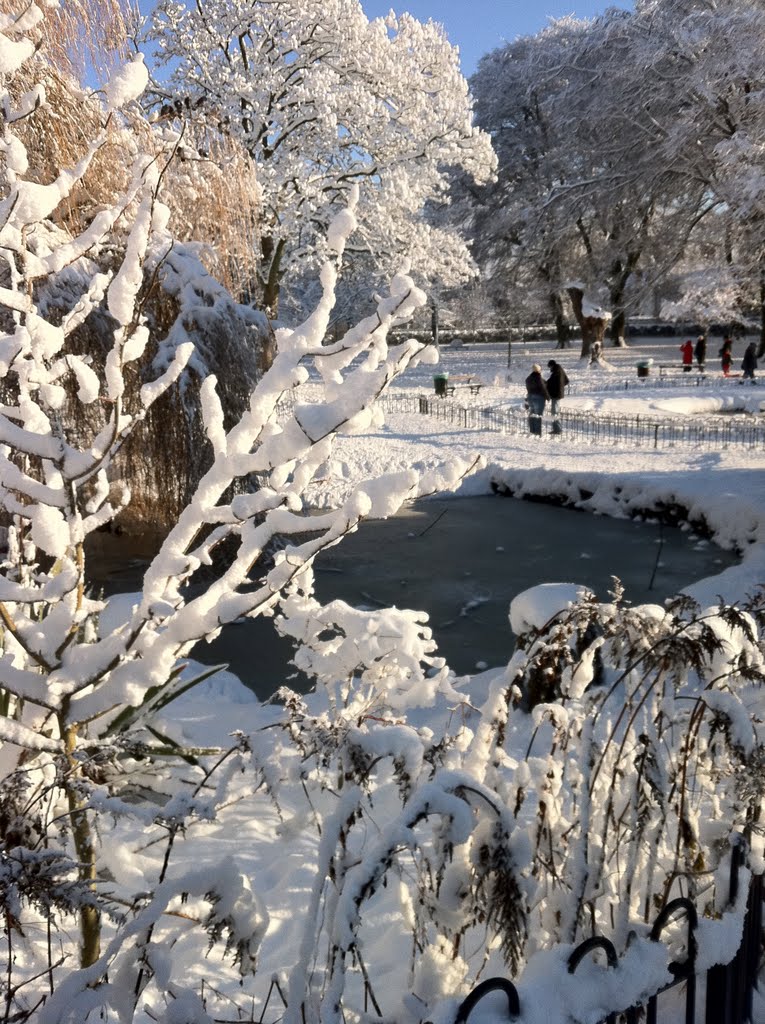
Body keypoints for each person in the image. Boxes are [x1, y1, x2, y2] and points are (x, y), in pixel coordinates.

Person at [546, 359, 570, 435]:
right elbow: (566, 381)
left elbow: (550, 383)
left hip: (555, 394)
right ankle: (556, 429)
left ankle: (557, 429)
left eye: (550, 367)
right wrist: (561, 387)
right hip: (558, 394)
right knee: (555, 411)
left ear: (551, 366)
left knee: (554, 412)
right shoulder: (560, 371)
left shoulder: (556, 372)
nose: (550, 369)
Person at [525, 363, 549, 436]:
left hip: (530, 397)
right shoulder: (538, 378)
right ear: (539, 370)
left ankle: (532, 431)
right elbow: (543, 388)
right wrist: (547, 397)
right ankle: (537, 433)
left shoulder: (528, 378)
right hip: (538, 398)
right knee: (538, 415)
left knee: (532, 414)